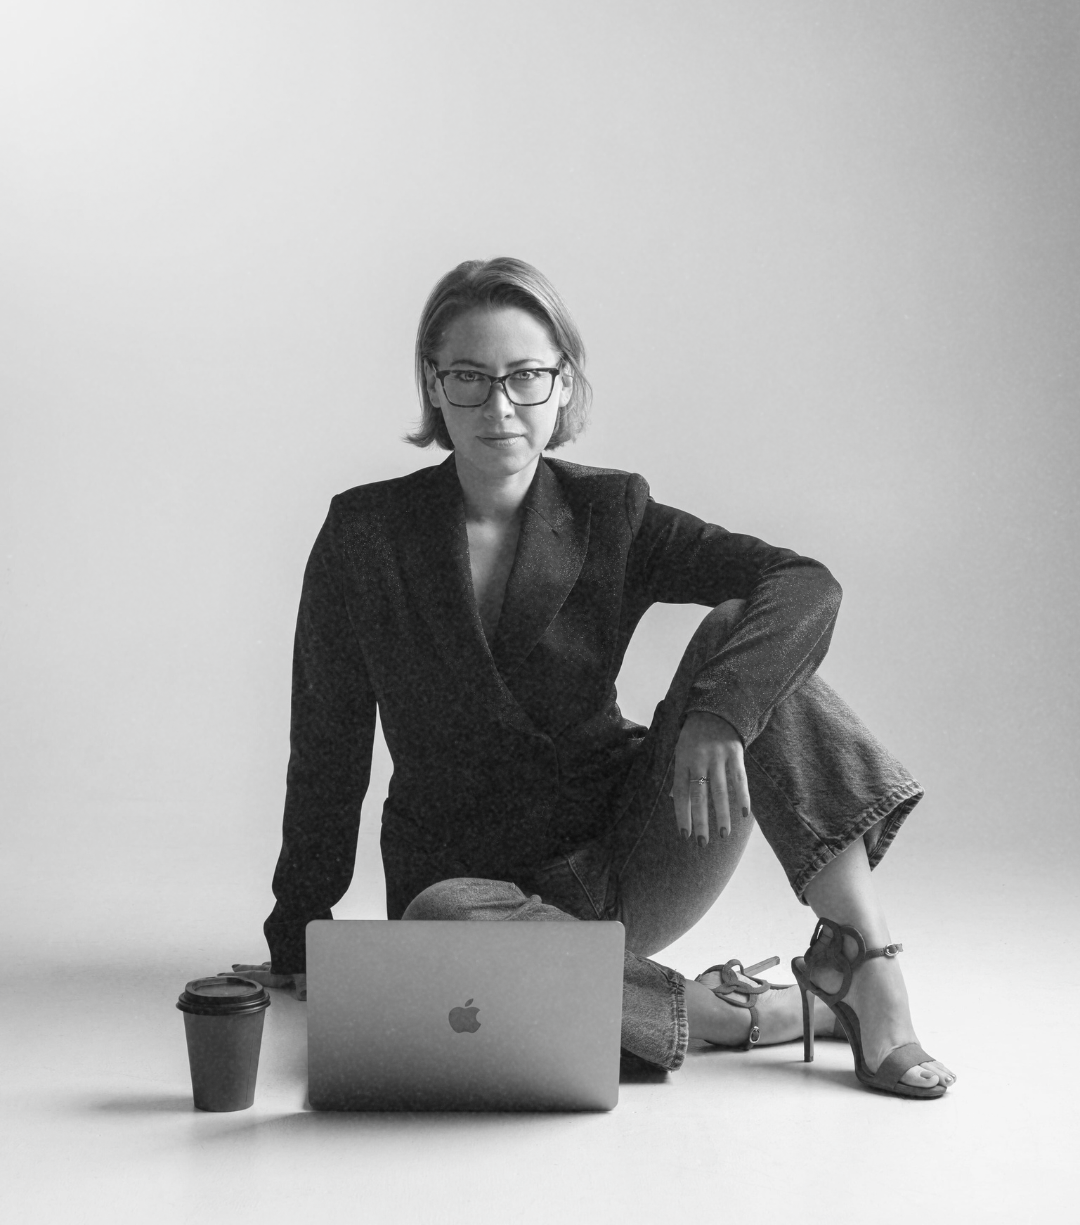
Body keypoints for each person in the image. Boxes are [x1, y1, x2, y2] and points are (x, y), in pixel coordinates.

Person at [237, 257, 955, 1098]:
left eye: (526, 376)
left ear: (562, 383)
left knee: (746, 639)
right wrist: (298, 938)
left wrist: (721, 714)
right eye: (469, 377)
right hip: (468, 895)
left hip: (632, 851)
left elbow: (802, 583)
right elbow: (327, 741)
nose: (500, 405)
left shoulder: (610, 512)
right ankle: (724, 1011)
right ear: (434, 384)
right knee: (440, 925)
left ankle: (863, 957)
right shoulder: (365, 534)